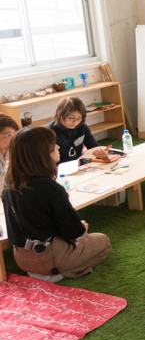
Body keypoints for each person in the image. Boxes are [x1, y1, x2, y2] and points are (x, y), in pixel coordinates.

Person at [2, 127, 111, 282]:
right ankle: (57, 273)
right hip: (49, 256)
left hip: (21, 258)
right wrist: (82, 227)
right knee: (103, 241)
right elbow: (73, 231)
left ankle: (47, 271)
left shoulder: (9, 185)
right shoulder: (47, 187)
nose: (58, 147)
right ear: (41, 153)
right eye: (53, 145)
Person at [47, 96, 109, 163]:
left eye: (79, 118)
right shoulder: (48, 132)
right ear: (59, 113)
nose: (76, 122)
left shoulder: (82, 127)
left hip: (79, 163)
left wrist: (102, 153)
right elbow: (47, 162)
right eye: (71, 118)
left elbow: (93, 146)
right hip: (59, 167)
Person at [0, 113, 20, 196]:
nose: (13, 138)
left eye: (14, 133)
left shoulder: (9, 150)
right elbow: (2, 189)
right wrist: (10, 160)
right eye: (8, 135)